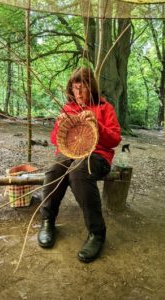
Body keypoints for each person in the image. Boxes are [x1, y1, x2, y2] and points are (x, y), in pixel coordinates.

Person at [38, 67, 121, 263]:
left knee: (79, 172)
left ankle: (97, 233)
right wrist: (59, 124)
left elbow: (115, 139)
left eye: (82, 88)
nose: (78, 93)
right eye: (75, 89)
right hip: (70, 153)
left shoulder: (104, 108)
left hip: (98, 156)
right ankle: (47, 221)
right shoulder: (68, 108)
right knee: (54, 169)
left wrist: (97, 126)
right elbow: (55, 140)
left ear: (91, 88)